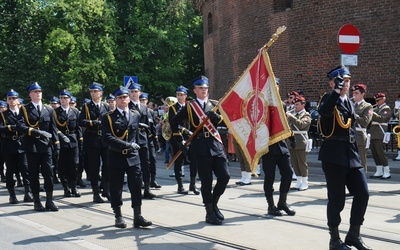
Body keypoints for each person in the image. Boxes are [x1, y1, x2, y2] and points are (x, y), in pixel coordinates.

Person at [318, 66, 371, 250]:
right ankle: (334, 240)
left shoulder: (349, 101)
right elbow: (324, 112)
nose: (346, 84)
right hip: (334, 155)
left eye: (348, 81)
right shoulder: (328, 99)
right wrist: (335, 92)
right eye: (342, 81)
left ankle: (353, 235)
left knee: (363, 193)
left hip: (351, 154)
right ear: (332, 83)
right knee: (337, 200)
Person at [170, 76, 230, 225]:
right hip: (200, 146)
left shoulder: (215, 105)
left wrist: (217, 118)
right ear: (195, 90)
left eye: (205, 88)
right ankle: (209, 212)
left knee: (225, 176)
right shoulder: (190, 107)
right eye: (200, 88)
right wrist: (180, 141)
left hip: (215, 145)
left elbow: (226, 121)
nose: (204, 90)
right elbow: (174, 122)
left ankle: (214, 203)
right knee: (206, 181)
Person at [102, 87, 152, 229]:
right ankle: (118, 215)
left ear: (129, 99)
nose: (123, 100)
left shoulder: (135, 115)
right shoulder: (108, 117)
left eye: (125, 97)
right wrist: (127, 145)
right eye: (120, 98)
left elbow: (135, 134)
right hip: (116, 156)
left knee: (136, 186)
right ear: (116, 100)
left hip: (133, 157)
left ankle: (138, 216)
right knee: (116, 187)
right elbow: (107, 138)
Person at [17, 82, 60, 212]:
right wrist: (35, 132)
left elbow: (53, 129)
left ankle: (49, 200)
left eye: (39, 91)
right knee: (34, 174)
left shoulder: (49, 110)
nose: (38, 93)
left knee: (49, 174)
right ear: (30, 94)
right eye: (35, 92)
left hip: (46, 147)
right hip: (32, 146)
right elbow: (20, 126)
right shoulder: (24, 109)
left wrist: (56, 145)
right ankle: (36, 201)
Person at [261, 79, 296, 217]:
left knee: (288, 173)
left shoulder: (282, 105)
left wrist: (291, 135)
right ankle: (271, 205)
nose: (275, 88)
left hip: (281, 145)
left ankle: (282, 202)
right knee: (269, 177)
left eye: (277, 86)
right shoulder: (262, 105)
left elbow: (283, 124)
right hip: (268, 146)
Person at [78, 82, 111, 203]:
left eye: (95, 91)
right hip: (92, 140)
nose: (93, 94)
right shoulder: (86, 106)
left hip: (104, 140)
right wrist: (93, 123)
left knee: (107, 165)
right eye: (91, 92)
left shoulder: (106, 106)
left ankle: (106, 189)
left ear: (100, 93)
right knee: (94, 167)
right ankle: (95, 193)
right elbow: (81, 121)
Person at [0, 89, 33, 204]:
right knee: (10, 170)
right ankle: (12, 195)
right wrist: (12, 127)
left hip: (22, 143)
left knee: (25, 169)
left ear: (17, 100)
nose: (12, 101)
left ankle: (28, 193)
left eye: (14, 98)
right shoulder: (3, 114)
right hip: (9, 144)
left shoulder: (23, 112)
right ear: (7, 100)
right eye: (10, 99)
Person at [168, 86, 199, 194]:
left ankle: (192, 184)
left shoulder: (190, 106)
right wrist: (180, 138)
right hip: (178, 137)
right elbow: (173, 123)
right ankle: (180, 185)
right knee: (179, 161)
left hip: (191, 137)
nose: (179, 96)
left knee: (194, 160)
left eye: (181, 95)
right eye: (178, 94)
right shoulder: (173, 108)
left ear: (185, 96)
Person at [128, 83, 156, 199]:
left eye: (136, 91)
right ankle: (136, 189)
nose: (134, 94)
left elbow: (150, 125)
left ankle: (147, 189)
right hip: (132, 138)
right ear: (129, 93)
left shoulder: (145, 108)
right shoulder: (127, 106)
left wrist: (152, 140)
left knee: (146, 164)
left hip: (144, 139)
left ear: (139, 93)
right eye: (132, 92)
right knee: (134, 166)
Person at [54, 89, 83, 198]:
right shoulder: (55, 112)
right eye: (61, 98)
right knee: (62, 165)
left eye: (65, 98)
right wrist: (59, 138)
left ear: (69, 99)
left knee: (74, 164)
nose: (63, 100)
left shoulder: (75, 111)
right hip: (61, 141)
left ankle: (74, 186)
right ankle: (66, 187)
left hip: (73, 140)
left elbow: (78, 127)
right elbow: (54, 128)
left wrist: (80, 140)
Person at [286, 95, 311, 191]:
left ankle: (305, 182)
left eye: (297, 104)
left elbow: (301, 125)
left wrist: (291, 117)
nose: (295, 106)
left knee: (301, 162)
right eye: (294, 104)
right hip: (292, 140)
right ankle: (299, 181)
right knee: (294, 162)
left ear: (303, 105)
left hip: (301, 141)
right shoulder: (292, 114)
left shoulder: (306, 115)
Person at [140, 92, 162, 189]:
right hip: (141, 139)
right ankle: (141, 180)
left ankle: (153, 179)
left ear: (147, 101)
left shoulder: (150, 112)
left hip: (150, 139)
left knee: (152, 160)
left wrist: (156, 140)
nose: (143, 102)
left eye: (144, 100)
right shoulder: (136, 111)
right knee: (142, 161)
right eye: (141, 100)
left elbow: (153, 127)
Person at [351, 84, 373, 173]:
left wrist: (354, 116)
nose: (354, 95)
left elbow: (365, 122)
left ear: (362, 94)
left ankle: (362, 177)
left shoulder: (367, 106)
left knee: (361, 159)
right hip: (351, 135)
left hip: (360, 136)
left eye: (356, 93)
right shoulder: (351, 105)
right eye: (353, 93)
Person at [369, 93, 391, 179]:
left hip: (380, 133)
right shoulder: (376, 109)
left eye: (378, 100)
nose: (377, 102)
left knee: (381, 153)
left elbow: (382, 118)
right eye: (376, 101)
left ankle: (387, 171)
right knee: (375, 153)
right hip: (373, 133)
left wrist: (371, 112)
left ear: (383, 99)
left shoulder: (386, 109)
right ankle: (379, 171)